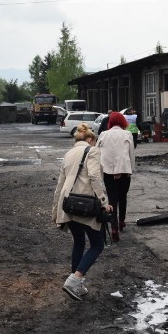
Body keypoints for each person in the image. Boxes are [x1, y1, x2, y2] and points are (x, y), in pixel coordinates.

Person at [52, 123, 113, 301]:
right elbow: (94, 177)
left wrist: (55, 210)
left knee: (78, 242)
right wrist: (104, 202)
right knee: (97, 244)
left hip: (68, 203)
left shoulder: (68, 153)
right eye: (94, 142)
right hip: (86, 203)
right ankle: (75, 279)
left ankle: (74, 283)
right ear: (90, 139)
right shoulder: (92, 151)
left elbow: (59, 185)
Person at [96, 112, 135, 243]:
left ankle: (113, 228)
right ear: (123, 122)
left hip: (108, 171)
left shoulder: (103, 134)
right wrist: (131, 170)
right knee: (123, 196)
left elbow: (96, 152)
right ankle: (122, 221)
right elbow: (131, 154)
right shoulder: (127, 134)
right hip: (124, 170)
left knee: (112, 199)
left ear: (110, 122)